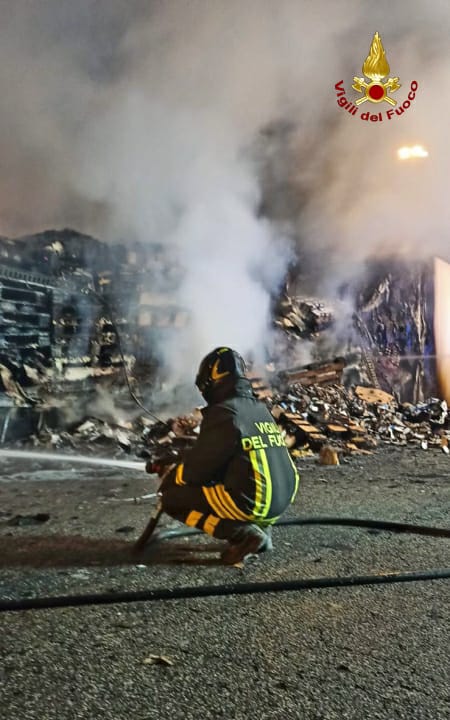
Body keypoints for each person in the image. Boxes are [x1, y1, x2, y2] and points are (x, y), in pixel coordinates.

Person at [154, 346, 300, 565]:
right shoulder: (258, 408)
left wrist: (174, 475)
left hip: (255, 502)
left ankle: (243, 534)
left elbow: (197, 472)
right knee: (242, 481)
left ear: (211, 381)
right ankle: (262, 534)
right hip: (283, 496)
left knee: (171, 499)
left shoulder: (224, 412)